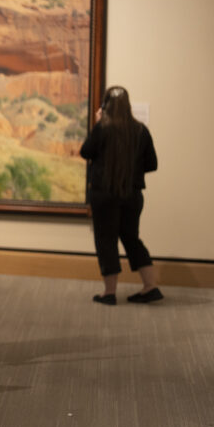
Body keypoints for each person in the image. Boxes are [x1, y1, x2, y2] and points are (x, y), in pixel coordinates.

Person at [80, 86, 160, 305]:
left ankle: (110, 292)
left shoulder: (102, 128)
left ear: (105, 106)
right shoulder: (141, 130)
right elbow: (152, 164)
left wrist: (98, 124)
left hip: (104, 195)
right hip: (132, 195)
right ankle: (150, 286)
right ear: (128, 105)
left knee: (106, 240)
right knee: (132, 238)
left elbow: (85, 151)